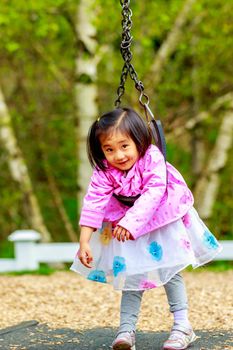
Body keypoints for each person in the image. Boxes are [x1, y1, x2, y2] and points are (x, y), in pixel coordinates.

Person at [71, 107, 222, 350]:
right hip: (126, 224)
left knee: (171, 272)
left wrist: (130, 223)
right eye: (109, 149)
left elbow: (154, 193)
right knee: (130, 275)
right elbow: (94, 202)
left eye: (124, 146)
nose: (118, 155)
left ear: (139, 141)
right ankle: (126, 330)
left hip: (161, 219)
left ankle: (183, 326)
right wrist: (84, 241)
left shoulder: (152, 158)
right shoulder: (104, 171)